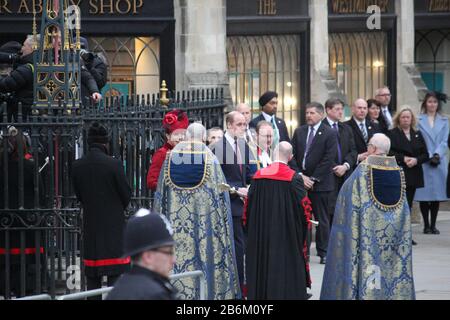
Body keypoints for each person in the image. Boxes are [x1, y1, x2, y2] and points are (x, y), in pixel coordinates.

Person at [321, 133, 415, 300]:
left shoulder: (362, 172)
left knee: (368, 266)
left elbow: (346, 201)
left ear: (372, 148)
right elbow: (404, 209)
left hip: (367, 237)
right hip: (394, 239)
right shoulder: (398, 173)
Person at [154, 123, 240, 299]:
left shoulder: (170, 158)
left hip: (176, 229)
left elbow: (160, 195)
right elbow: (221, 197)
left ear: (186, 136)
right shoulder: (211, 159)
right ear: (204, 138)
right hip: (205, 228)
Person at [71, 122, 132, 297]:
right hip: (113, 227)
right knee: (115, 273)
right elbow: (126, 195)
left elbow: (79, 195)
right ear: (105, 143)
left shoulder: (77, 166)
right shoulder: (114, 164)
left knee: (93, 276)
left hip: (91, 226)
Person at [245, 142, 309, 300]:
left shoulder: (258, 176)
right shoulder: (294, 178)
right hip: (286, 234)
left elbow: (248, 207)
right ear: (291, 157)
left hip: (261, 234)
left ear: (274, 154)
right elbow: (305, 208)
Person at [211, 111, 257, 294]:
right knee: (236, 249)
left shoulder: (244, 146)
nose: (243, 128)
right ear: (229, 125)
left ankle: (242, 286)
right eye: (239, 124)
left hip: (244, 204)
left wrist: (255, 184)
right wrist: (236, 191)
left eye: (245, 124)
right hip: (229, 203)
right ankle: (235, 288)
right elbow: (216, 179)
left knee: (243, 249)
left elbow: (249, 173)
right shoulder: (217, 147)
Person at [0, 127, 45, 297]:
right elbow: (39, 193)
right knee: (24, 264)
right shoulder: (29, 165)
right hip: (27, 220)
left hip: (5, 220)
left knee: (7, 263)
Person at [291, 102, 337, 264]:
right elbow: (292, 156)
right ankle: (301, 251)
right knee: (301, 217)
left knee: (321, 219)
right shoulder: (299, 131)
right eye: (307, 112)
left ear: (320, 115)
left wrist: (313, 179)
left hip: (321, 184)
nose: (308, 115)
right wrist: (300, 176)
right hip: (300, 182)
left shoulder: (329, 133)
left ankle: (323, 252)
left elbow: (328, 158)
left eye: (312, 113)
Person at [106, 209, 178, 300]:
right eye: (169, 252)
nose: (173, 260)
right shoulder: (156, 295)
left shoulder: (117, 290)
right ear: (148, 256)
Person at [388, 107, 429, 245]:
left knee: (409, 205)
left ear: (412, 119)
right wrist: (403, 158)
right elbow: (389, 151)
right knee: (398, 206)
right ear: (398, 118)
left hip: (413, 174)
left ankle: (406, 235)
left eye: (408, 117)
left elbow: (425, 154)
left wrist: (416, 160)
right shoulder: (393, 133)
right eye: (403, 117)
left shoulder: (417, 134)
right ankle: (396, 235)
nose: (406, 119)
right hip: (399, 173)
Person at [414, 92, 449, 235]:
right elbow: (418, 139)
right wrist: (428, 155)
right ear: (425, 104)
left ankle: (433, 224)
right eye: (429, 102)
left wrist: (437, 155)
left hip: (439, 160)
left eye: (434, 102)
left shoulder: (445, 120)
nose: (432, 104)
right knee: (424, 194)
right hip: (424, 159)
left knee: (436, 195)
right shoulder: (418, 120)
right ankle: (426, 225)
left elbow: (445, 141)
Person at [322, 98, 357, 224]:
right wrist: (335, 167)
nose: (341, 112)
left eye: (342, 109)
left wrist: (345, 166)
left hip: (345, 174)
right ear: (328, 110)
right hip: (328, 175)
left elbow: (353, 151)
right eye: (337, 109)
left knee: (344, 209)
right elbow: (320, 153)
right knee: (329, 212)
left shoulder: (346, 129)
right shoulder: (321, 128)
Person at [146, 110, 189, 192]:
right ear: (168, 136)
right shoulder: (162, 153)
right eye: (176, 134)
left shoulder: (189, 153)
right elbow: (151, 182)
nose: (181, 137)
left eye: (183, 134)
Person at [0, 35, 38, 121]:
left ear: (32, 48)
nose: (22, 49)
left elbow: (5, 85)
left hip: (22, 113)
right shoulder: (38, 65)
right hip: (29, 112)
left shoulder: (27, 69)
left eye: (24, 46)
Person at [345, 98, 380, 164]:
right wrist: (357, 157)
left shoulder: (375, 126)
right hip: (354, 166)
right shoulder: (345, 126)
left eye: (364, 108)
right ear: (352, 109)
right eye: (359, 108)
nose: (362, 111)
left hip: (373, 164)